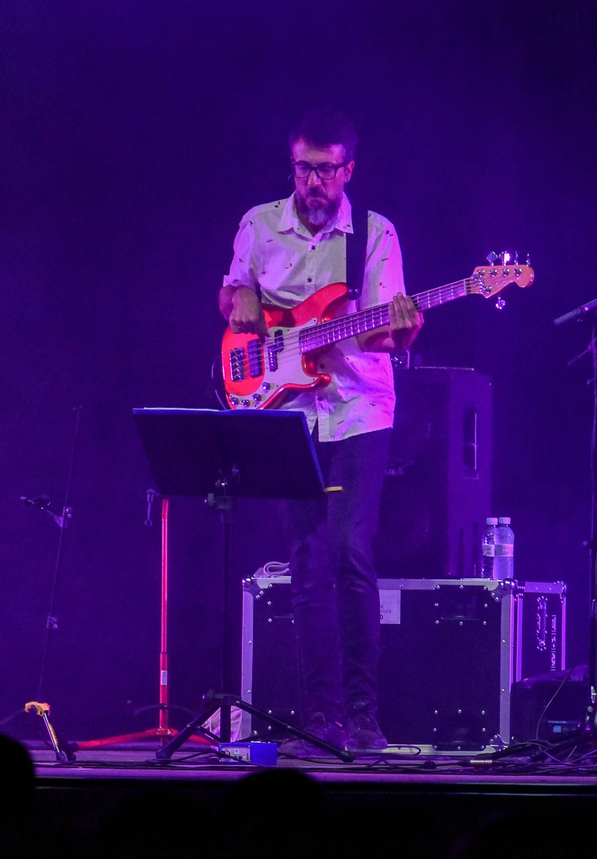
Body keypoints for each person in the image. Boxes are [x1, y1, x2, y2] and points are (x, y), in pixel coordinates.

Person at [218, 112, 423, 756]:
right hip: (286, 410)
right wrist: (240, 300)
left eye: (326, 169)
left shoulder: (374, 234)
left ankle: (363, 716)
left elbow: (383, 334)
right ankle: (321, 718)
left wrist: (403, 330)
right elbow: (231, 297)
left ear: (348, 170)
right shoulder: (259, 223)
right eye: (304, 167)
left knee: (350, 553)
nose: (313, 181)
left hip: (359, 409)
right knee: (308, 562)